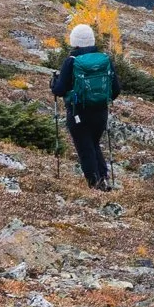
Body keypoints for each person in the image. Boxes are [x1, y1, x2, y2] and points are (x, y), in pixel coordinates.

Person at [50, 22, 121, 190]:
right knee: (93, 143)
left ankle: (95, 183)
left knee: (85, 146)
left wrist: (53, 84)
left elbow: (59, 90)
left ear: (74, 41)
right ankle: (102, 178)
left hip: (78, 113)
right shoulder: (104, 59)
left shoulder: (72, 61)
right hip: (101, 112)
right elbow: (116, 90)